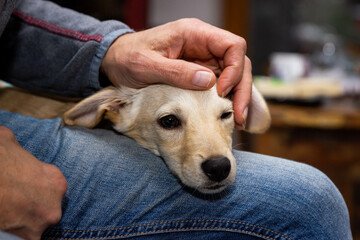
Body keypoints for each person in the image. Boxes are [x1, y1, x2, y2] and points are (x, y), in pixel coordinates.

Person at [0, 0, 352, 240]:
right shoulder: (120, 105)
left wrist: (112, 48)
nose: (216, 157)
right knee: (308, 203)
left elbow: (13, 13)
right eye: (170, 121)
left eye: (225, 114)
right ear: (117, 110)